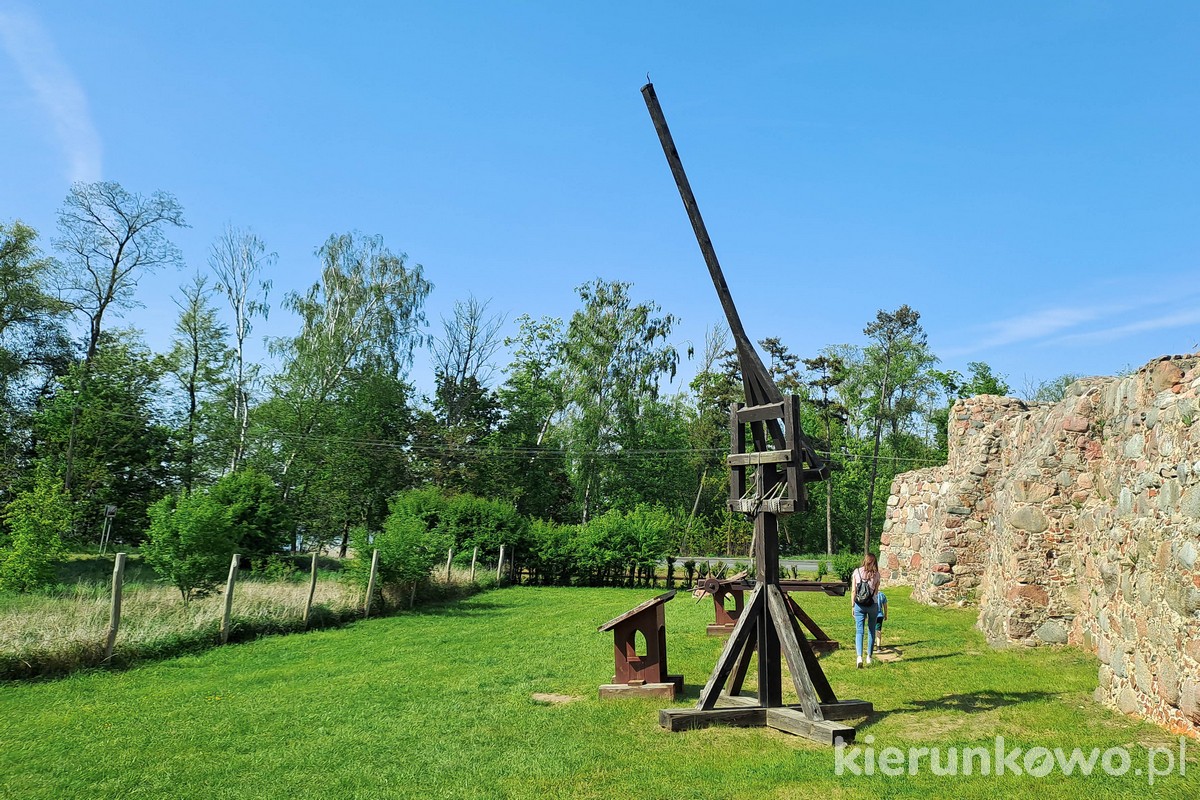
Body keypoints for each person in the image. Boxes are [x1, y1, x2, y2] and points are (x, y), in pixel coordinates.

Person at [850, 552, 881, 668]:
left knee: (859, 631)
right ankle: (869, 657)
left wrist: (853, 606)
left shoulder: (856, 572)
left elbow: (853, 591)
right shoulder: (877, 575)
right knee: (871, 630)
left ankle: (859, 657)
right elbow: (876, 592)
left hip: (859, 605)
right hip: (872, 605)